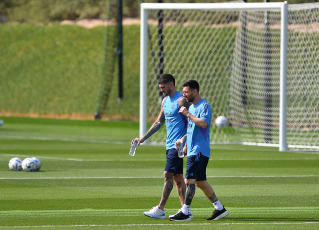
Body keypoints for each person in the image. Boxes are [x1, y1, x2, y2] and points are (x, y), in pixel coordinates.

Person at [131, 73, 192, 219]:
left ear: (171, 84)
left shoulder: (181, 100)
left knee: (167, 174)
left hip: (176, 146)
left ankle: (160, 208)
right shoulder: (165, 101)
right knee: (178, 178)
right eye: (160, 88)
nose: (161, 90)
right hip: (169, 145)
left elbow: (192, 123)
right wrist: (143, 138)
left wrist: (185, 141)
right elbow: (159, 122)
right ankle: (186, 211)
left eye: (163, 87)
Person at [169, 80, 229, 221]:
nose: (184, 95)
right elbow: (192, 129)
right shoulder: (193, 108)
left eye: (186, 92)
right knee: (200, 181)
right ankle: (220, 209)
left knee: (189, 179)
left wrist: (187, 115)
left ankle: (185, 211)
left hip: (199, 151)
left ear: (194, 91)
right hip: (192, 149)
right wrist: (184, 143)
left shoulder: (204, 106)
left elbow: (203, 123)